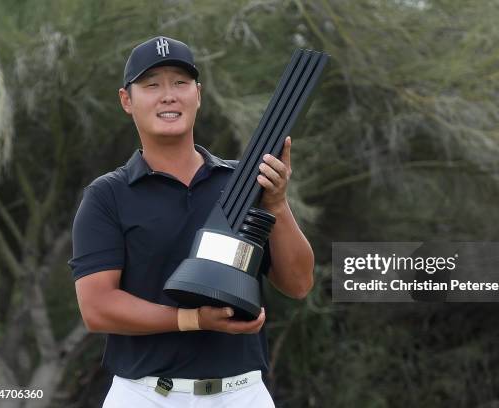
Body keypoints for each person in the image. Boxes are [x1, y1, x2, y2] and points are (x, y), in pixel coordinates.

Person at [68, 36, 315, 407]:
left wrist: (277, 203)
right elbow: (97, 307)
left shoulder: (244, 183)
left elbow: (298, 284)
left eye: (180, 83)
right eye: (152, 85)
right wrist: (193, 318)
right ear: (126, 100)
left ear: (197, 94)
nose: (169, 95)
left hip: (242, 394)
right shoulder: (107, 195)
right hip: (144, 394)